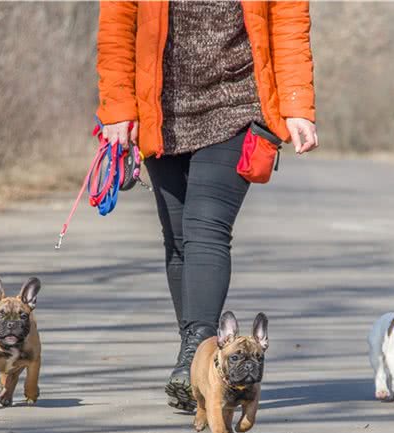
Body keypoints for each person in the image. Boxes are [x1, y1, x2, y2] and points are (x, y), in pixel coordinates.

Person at [96, 0, 318, 411]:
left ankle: (196, 349)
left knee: (205, 227)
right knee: (178, 238)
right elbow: (117, 29)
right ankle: (197, 364)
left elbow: (288, 24)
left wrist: (297, 105)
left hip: (239, 106)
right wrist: (118, 108)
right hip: (161, 111)